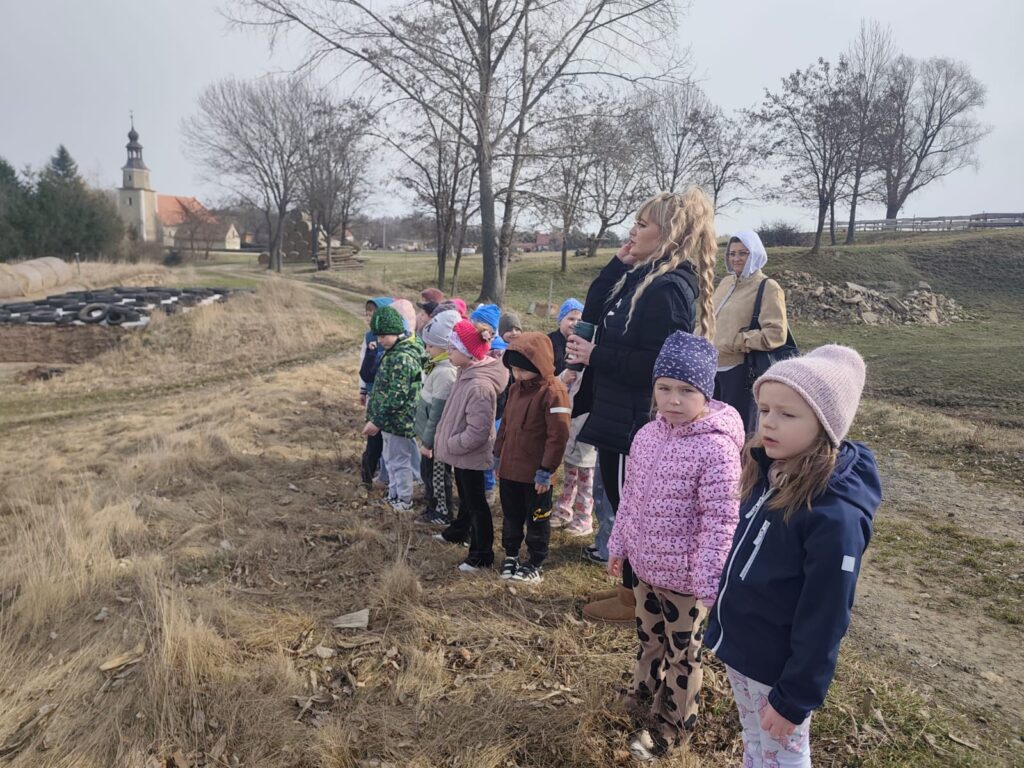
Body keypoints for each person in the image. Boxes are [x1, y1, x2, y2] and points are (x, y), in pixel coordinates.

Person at [705, 345, 881, 768]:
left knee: (783, 752)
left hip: (778, 668)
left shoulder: (833, 515)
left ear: (825, 425)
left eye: (787, 414)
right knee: (755, 739)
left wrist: (795, 696)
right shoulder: (767, 471)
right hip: (743, 650)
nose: (768, 422)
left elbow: (826, 616)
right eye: (765, 409)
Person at [567, 188, 719, 624]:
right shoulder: (645, 276)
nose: (632, 231)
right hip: (617, 411)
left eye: (642, 224)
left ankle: (636, 600)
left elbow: (660, 367)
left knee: (632, 507)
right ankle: (630, 590)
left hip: (634, 419)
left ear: (667, 234)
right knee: (624, 504)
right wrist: (617, 264)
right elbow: (598, 308)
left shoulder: (666, 289)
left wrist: (596, 356)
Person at [607, 331, 743, 760]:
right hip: (646, 568)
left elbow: (721, 521)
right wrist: (619, 544)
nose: (673, 400)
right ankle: (642, 694)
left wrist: (707, 581)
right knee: (649, 639)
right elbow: (630, 498)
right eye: (664, 388)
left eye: (687, 390)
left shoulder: (717, 448)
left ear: (706, 393)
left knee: (683, 654)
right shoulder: (647, 435)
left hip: (686, 581)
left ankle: (673, 725)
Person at [432, 320, 509, 572]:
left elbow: (478, 431)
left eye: (453, 348)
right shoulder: (465, 373)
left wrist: (453, 443)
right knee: (466, 498)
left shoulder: (479, 387)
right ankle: (459, 531)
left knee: (476, 503)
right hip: (461, 453)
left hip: (469, 453)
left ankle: (481, 554)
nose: (448, 351)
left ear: (468, 353)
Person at [495, 332, 571, 583]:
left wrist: (546, 469)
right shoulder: (515, 389)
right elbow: (505, 424)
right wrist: (497, 454)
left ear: (538, 365)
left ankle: (535, 561)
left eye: (523, 370)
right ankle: (511, 554)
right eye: (514, 370)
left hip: (536, 473)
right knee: (511, 515)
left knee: (537, 518)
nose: (517, 375)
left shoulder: (554, 392)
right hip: (510, 469)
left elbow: (558, 435)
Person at [711, 230, 790, 433]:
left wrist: (738, 341)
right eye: (732, 253)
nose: (736, 258)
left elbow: (776, 333)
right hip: (711, 368)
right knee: (713, 427)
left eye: (742, 253)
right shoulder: (726, 282)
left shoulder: (768, 287)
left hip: (739, 371)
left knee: (737, 430)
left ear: (754, 254)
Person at [363, 306, 425, 512]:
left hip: (398, 422)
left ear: (397, 332)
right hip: (390, 422)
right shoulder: (394, 352)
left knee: (400, 462)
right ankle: (394, 495)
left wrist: (377, 421)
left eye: (384, 336)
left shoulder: (402, 358)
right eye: (378, 336)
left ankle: (404, 500)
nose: (380, 340)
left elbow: (397, 396)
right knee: (390, 460)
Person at [548, 298, 598, 536]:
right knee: (569, 472)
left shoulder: (594, 372)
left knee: (586, 476)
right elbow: (560, 389)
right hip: (570, 426)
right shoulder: (572, 366)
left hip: (587, 427)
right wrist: (562, 377)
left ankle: (584, 517)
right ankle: (564, 509)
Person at [414, 310, 461, 525]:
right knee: (427, 474)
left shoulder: (445, 373)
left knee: (439, 477)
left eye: (431, 346)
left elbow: (437, 413)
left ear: (445, 346)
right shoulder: (435, 364)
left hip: (436, 441)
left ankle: (442, 512)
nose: (426, 349)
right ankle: (431, 506)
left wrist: (428, 442)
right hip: (427, 436)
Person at [359, 296, 394, 489]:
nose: (369, 318)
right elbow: (364, 368)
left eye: (373, 314)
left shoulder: (399, 346)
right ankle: (367, 477)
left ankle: (386, 476)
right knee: (374, 439)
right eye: (367, 314)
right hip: (374, 394)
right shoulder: (369, 337)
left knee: (389, 442)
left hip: (390, 400)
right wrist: (363, 389)